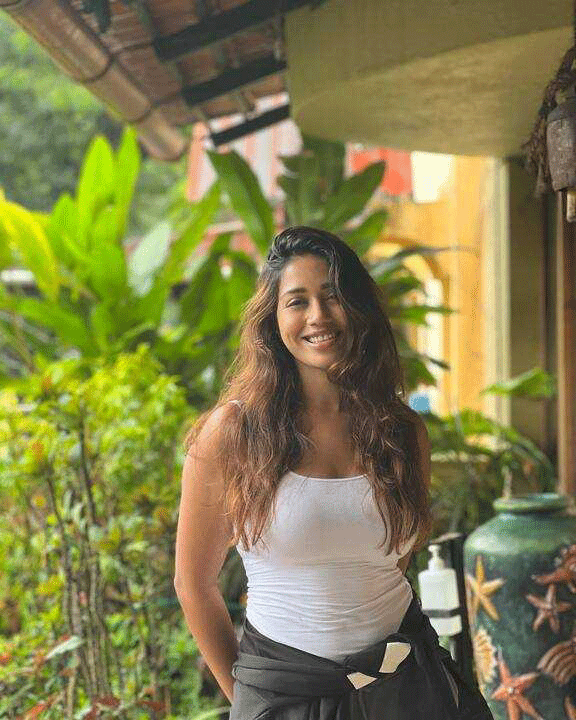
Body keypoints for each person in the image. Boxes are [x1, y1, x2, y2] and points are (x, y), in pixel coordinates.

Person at [174, 226, 493, 720]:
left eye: (333, 296)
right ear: (273, 318)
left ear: (358, 308)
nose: (318, 316)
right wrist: (249, 700)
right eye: (297, 301)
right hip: (286, 694)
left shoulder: (401, 431)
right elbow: (193, 584)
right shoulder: (233, 433)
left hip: (408, 689)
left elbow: (391, 564)